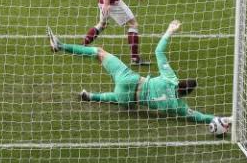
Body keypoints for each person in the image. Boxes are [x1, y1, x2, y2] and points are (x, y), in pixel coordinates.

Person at [47, 20, 231, 131]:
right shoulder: (178, 107)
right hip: (127, 100)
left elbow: (159, 51)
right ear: (186, 95)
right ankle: (91, 96)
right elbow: (197, 116)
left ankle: (61, 46)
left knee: (98, 52)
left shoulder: (170, 78)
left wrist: (169, 30)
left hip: (128, 79)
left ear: (181, 82)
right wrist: (221, 119)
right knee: (120, 99)